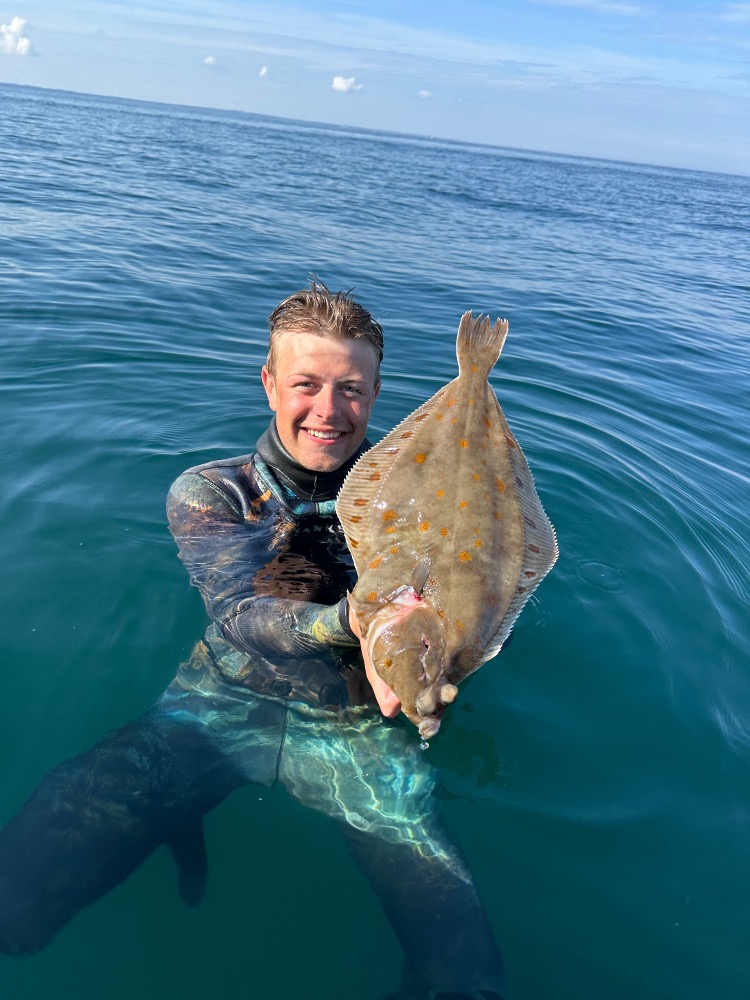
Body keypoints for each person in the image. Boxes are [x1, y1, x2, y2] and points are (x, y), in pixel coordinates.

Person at [0, 283, 505, 1000]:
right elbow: (240, 611)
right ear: (269, 383)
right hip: (215, 708)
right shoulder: (213, 492)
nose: (328, 410)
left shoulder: (422, 510)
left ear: (375, 393)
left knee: (462, 972)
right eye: (306, 384)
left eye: (350, 389)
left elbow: (473, 593)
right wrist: (352, 621)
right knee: (17, 891)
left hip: (356, 734)